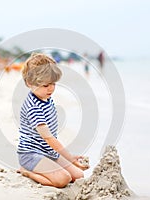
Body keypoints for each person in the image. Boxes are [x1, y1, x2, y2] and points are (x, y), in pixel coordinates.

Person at [17, 53, 89, 188]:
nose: (50, 88)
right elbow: (49, 138)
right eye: (45, 85)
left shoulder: (46, 97)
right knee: (63, 179)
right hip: (31, 155)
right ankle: (27, 171)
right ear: (29, 83)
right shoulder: (33, 107)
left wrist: (70, 160)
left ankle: (50, 167)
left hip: (48, 152)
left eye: (53, 84)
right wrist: (71, 158)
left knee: (78, 176)